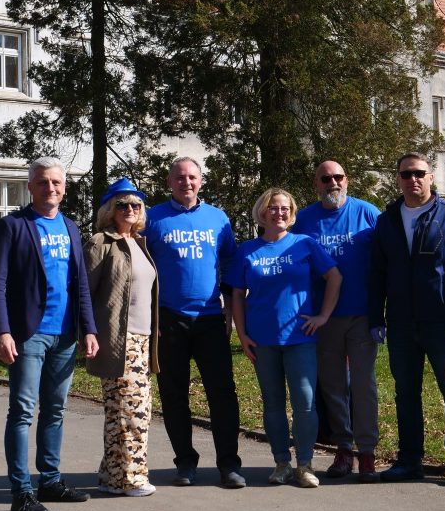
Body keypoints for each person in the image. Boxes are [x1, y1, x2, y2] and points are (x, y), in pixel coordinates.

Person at [0, 156, 99, 511]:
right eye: (43, 182)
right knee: (21, 411)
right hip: (28, 334)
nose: (50, 188)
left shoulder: (71, 227)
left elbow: (79, 283)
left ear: (64, 188)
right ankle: (21, 491)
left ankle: (50, 480)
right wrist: (1, 331)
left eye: (56, 183)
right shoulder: (12, 226)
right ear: (30, 187)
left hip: (64, 335)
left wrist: (89, 328)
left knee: (55, 410)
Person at [368, 152, 445, 488]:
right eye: (405, 174)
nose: (412, 180)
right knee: (406, 394)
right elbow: (378, 273)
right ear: (397, 179)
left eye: (419, 173)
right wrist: (377, 317)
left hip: (442, 322)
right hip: (401, 323)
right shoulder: (387, 221)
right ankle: (410, 459)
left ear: (431, 177)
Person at [226, 187, 342, 488]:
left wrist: (323, 316)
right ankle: (281, 463)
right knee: (273, 404)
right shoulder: (247, 250)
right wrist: (242, 333)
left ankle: (304, 464)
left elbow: (334, 277)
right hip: (263, 340)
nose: (279, 213)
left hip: (300, 337)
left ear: (292, 214)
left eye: (285, 208)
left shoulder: (305, 244)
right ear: (262, 213)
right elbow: (237, 294)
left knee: (305, 403)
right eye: (273, 208)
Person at [144, 157, 245, 489]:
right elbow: (140, 266)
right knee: (173, 395)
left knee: (223, 393)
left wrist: (230, 307)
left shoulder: (218, 219)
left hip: (210, 318)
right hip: (169, 319)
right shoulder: (153, 218)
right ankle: (185, 462)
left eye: (192, 177)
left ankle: (229, 464)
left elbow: (230, 261)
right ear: (169, 182)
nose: (186, 182)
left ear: (201, 181)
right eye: (179, 177)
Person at [292, 160, 381, 482]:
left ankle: (367, 451)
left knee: (363, 384)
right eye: (326, 179)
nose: (333, 183)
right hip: (322, 319)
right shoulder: (303, 220)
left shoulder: (368, 214)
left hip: (362, 314)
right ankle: (344, 449)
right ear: (316, 184)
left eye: (338, 177)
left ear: (348, 180)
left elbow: (385, 262)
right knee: (332, 386)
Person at [84, 178, 160, 497]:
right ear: (109, 210)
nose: (130, 209)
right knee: (132, 409)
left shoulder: (141, 243)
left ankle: (113, 475)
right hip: (118, 338)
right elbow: (84, 292)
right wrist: (88, 331)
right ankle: (130, 477)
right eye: (122, 204)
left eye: (136, 205)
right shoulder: (101, 242)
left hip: (143, 339)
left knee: (122, 409)